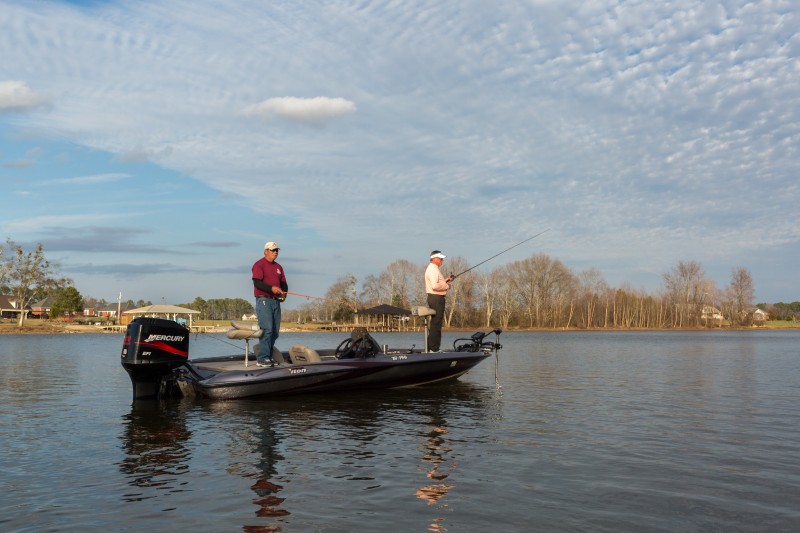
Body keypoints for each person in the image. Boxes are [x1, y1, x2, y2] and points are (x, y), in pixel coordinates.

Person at [252, 241, 288, 366]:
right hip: (263, 300)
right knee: (267, 329)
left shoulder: (279, 267)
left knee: (275, 331)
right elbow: (257, 283)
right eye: (272, 250)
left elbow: (283, 283)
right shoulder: (259, 264)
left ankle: (268, 355)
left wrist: (284, 294)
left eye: (277, 250)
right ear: (265, 251)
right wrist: (271, 288)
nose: (275, 252)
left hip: (275, 301)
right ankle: (262, 358)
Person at [424, 250, 454, 352]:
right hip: (436, 298)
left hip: (434, 298)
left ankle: (430, 348)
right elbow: (435, 286)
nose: (442, 261)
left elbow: (437, 282)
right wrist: (447, 286)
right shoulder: (433, 269)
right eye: (441, 259)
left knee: (434, 323)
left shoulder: (433, 269)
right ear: (435, 259)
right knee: (436, 324)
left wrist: (447, 280)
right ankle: (434, 349)